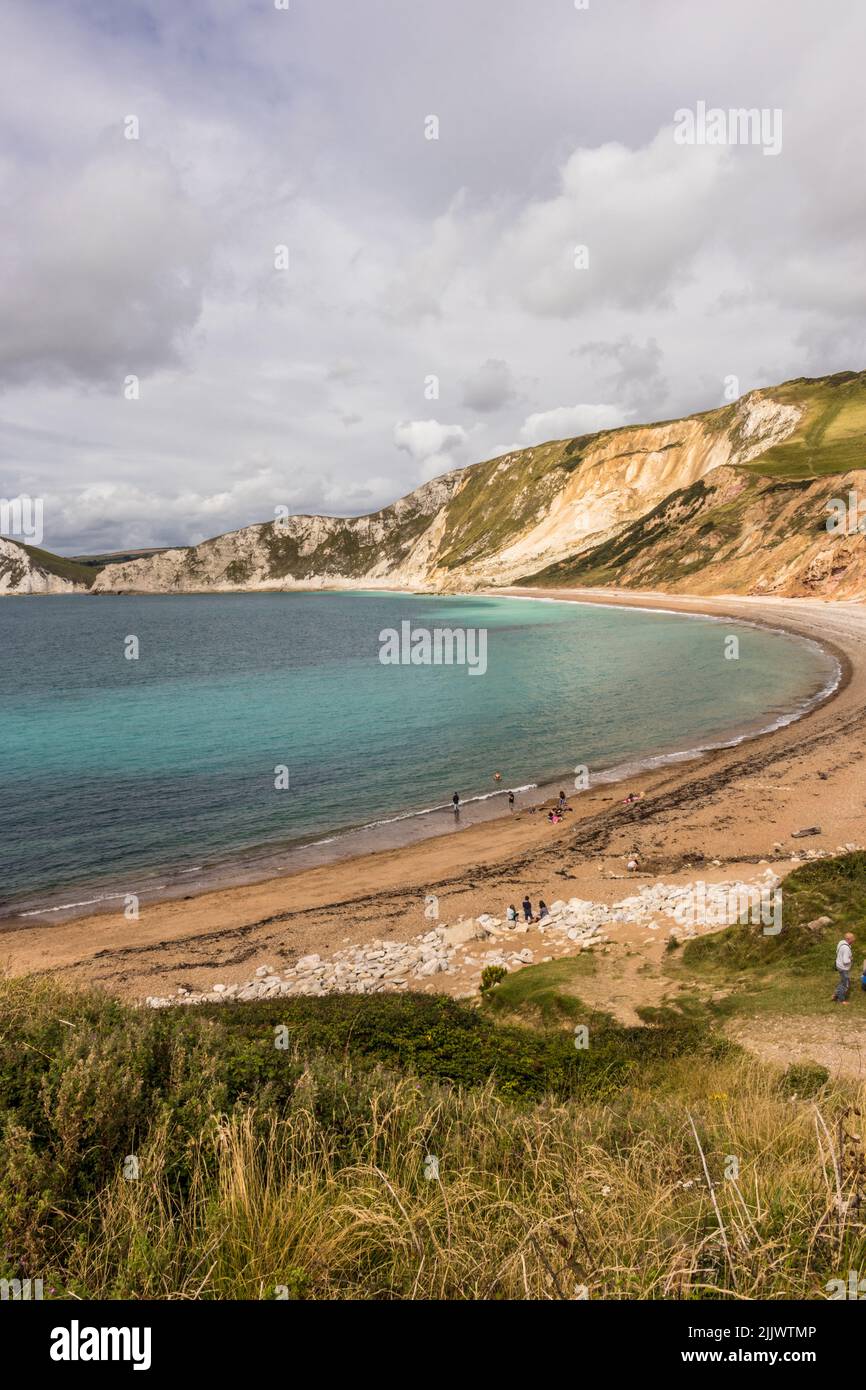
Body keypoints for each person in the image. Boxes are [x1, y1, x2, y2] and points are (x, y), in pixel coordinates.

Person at [833, 932, 854, 1004]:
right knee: (845, 984)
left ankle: (835, 995)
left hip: (838, 965)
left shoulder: (841, 942)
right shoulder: (846, 948)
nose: (854, 940)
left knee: (842, 981)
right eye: (852, 938)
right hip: (843, 968)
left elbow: (837, 952)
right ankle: (841, 1000)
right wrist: (850, 959)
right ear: (848, 939)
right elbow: (845, 961)